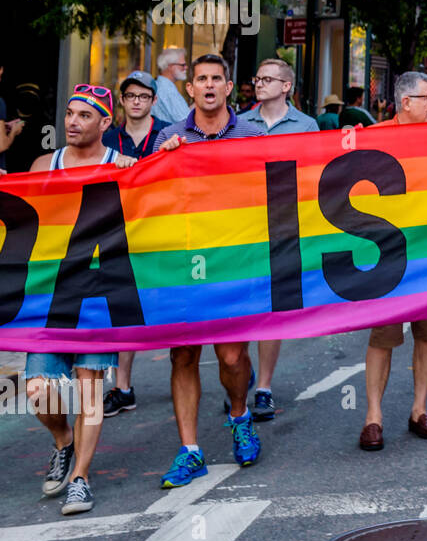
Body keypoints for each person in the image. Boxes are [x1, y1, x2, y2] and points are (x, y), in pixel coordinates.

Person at [147, 54, 265, 488]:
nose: (210, 85)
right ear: (190, 89)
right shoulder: (170, 136)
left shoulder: (252, 135)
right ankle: (190, 449)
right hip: (184, 260)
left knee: (232, 355)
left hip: (234, 260)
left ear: (230, 87)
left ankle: (239, 416)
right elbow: (152, 199)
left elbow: (270, 192)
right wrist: (162, 162)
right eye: (201, 79)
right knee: (184, 354)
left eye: (217, 78)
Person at [26, 85, 136, 514]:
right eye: (70, 114)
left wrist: (138, 172)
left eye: (84, 116)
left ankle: (80, 479)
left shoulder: (122, 165)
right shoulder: (42, 164)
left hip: (99, 289)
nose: (72, 122)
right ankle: (63, 441)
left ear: (106, 123)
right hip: (50, 293)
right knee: (37, 390)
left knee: (90, 391)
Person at [356, 72, 427, 450]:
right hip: (386, 255)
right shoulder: (372, 138)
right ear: (405, 103)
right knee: (383, 335)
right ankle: (373, 417)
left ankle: (419, 410)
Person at [238, 58, 318, 421]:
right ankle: (238, 374)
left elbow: (315, 173)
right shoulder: (238, 123)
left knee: (271, 308)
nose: (259, 84)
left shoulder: (306, 125)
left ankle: (264, 387)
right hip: (241, 226)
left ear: (286, 86)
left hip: (284, 225)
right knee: (240, 304)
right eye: (257, 78)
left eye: (268, 79)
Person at [99, 71, 169, 419]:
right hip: (121, 232)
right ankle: (122, 387)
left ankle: (201, 367)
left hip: (166, 232)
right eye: (131, 96)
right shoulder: (107, 139)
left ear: (154, 100)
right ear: (122, 101)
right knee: (125, 308)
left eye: (144, 96)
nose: (137, 101)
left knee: (176, 304)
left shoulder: (169, 135)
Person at [151, 47, 191, 125]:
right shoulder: (167, 89)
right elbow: (187, 121)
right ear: (170, 66)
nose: (186, 67)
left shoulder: (159, 85)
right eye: (182, 65)